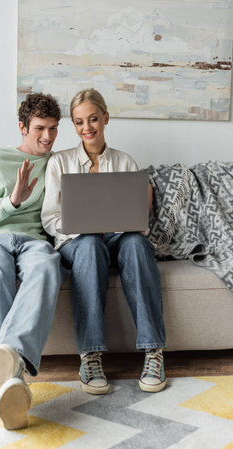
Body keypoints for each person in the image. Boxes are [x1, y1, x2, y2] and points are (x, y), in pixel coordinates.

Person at [41, 88, 166, 395]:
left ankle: (154, 353)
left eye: (93, 119)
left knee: (137, 244)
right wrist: (83, 229)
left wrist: (140, 215)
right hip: (79, 242)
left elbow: (137, 223)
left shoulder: (125, 161)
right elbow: (50, 219)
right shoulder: (59, 162)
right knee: (89, 244)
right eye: (80, 121)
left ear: (106, 118)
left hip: (118, 238)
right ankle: (90, 356)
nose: (87, 128)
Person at [0, 93, 65, 430]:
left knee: (49, 265)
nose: (47, 137)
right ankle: (6, 389)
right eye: (39, 129)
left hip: (33, 241)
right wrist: (11, 202)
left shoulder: (58, 164)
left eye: (53, 129)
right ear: (22, 127)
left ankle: (9, 365)